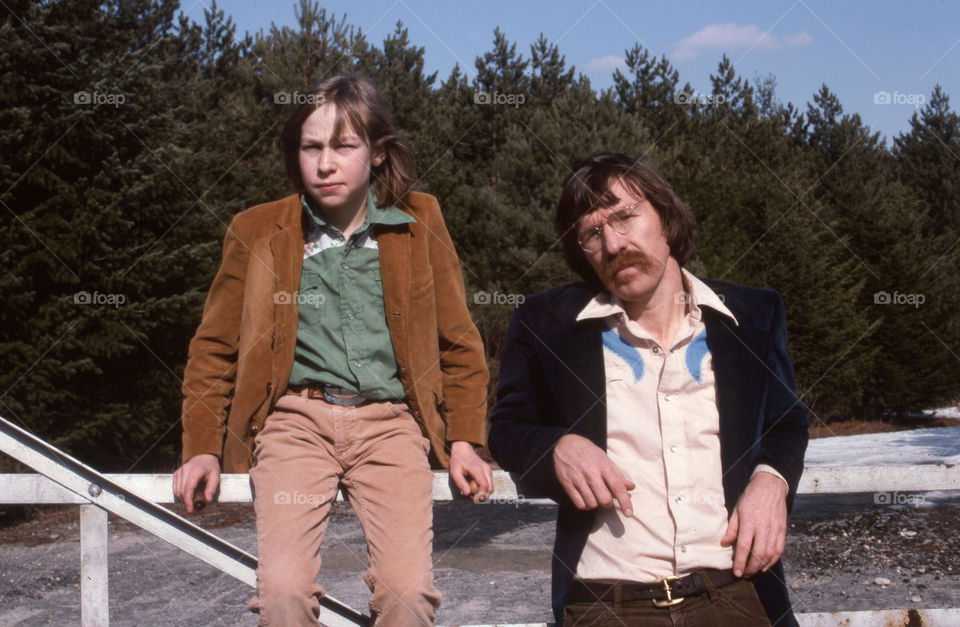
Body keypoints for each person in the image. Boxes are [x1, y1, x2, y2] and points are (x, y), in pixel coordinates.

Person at [171, 75, 493, 626]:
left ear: (377, 153)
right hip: (294, 426)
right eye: (311, 147)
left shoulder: (420, 221)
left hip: (392, 427)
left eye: (344, 146)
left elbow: (459, 342)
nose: (325, 164)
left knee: (408, 595)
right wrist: (202, 446)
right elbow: (214, 349)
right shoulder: (257, 229)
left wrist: (465, 440)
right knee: (283, 594)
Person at [488, 152, 808, 626]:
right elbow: (506, 428)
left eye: (625, 217)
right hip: (609, 602)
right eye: (592, 234)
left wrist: (771, 481)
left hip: (735, 590)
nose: (613, 244)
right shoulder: (546, 323)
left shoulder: (752, 314)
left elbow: (787, 422)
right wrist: (555, 446)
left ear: (666, 216)